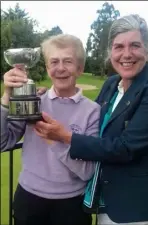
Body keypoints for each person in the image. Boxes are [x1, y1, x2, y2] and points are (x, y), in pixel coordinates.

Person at [34, 14, 148, 225]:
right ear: (111, 52)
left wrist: (65, 136)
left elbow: (126, 148)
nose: (126, 54)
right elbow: (91, 121)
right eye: (119, 47)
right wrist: (45, 97)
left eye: (135, 45)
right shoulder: (112, 84)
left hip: (133, 205)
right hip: (106, 198)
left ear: (147, 49)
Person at [1, 34, 101, 225]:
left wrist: (55, 139)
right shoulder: (33, 101)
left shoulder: (93, 111)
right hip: (28, 199)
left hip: (72, 205)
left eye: (68, 61)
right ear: (47, 68)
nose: (60, 68)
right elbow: (3, 142)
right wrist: (6, 96)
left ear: (80, 69)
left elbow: (88, 171)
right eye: (54, 61)